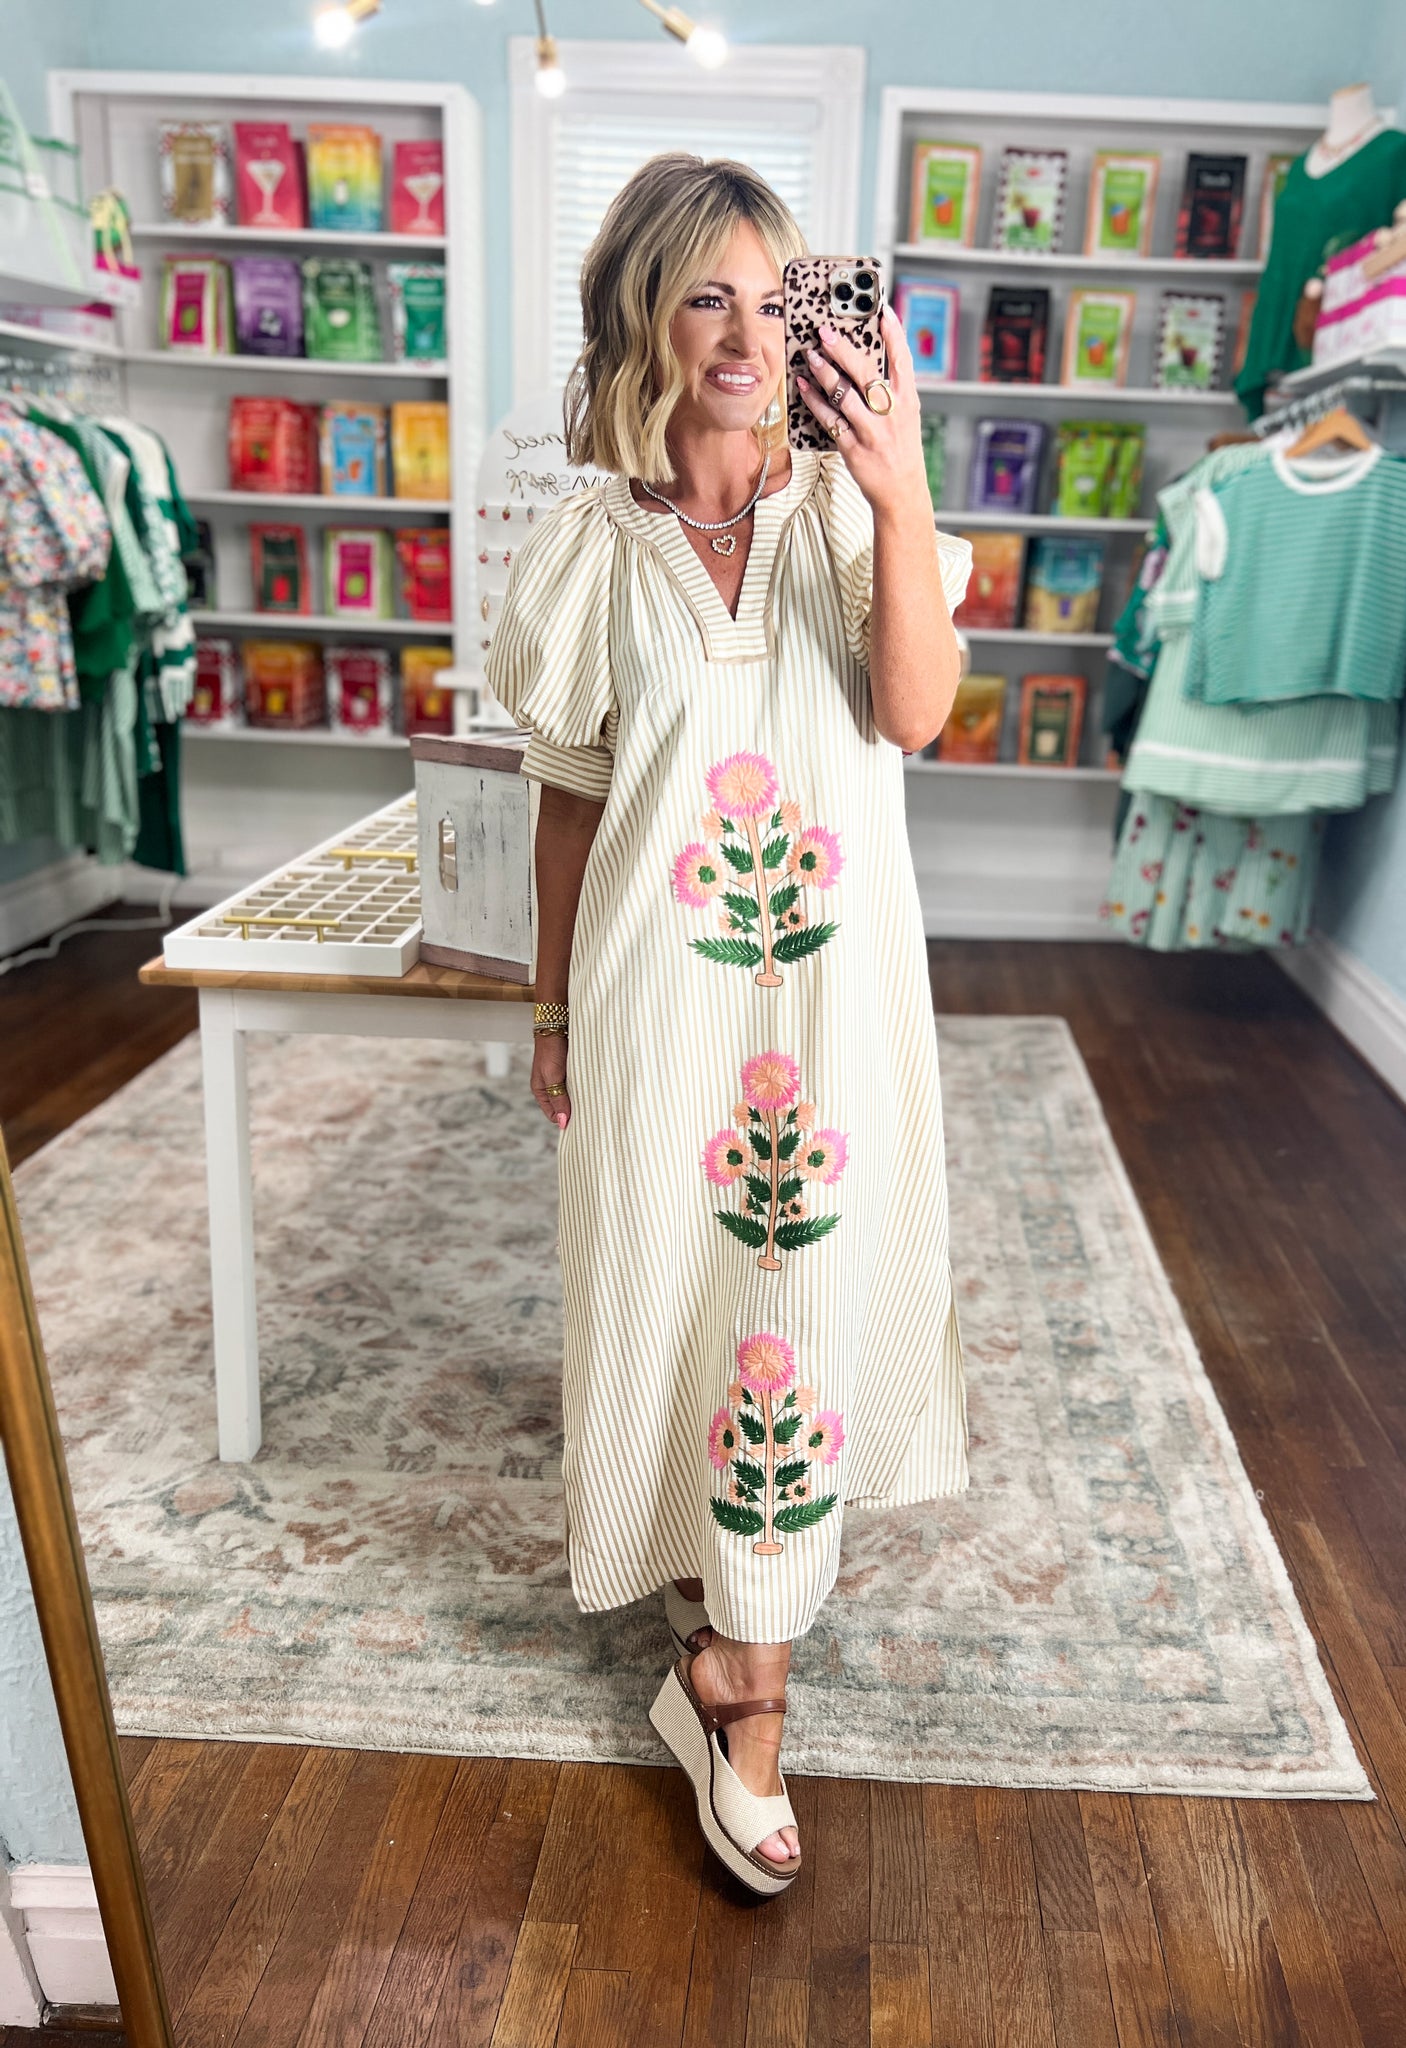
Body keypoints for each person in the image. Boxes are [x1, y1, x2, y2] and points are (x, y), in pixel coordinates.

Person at [485, 153, 972, 1897]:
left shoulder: (852, 511)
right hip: (657, 994)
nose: (751, 337)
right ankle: (721, 1644)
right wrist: (550, 999)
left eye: (779, 301)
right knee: (677, 1290)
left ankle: (740, 1688)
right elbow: (566, 802)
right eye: (708, 295)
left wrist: (897, 489)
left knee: (797, 1302)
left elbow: (911, 714)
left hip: (837, 1000)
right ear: (645, 315)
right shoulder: (586, 548)